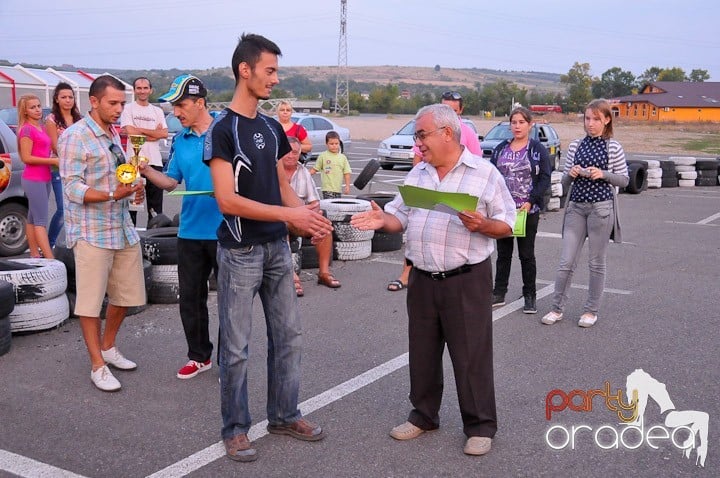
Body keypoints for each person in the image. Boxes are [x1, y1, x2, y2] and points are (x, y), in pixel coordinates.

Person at [351, 104, 516, 457]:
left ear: (447, 133)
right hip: (423, 279)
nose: (418, 143)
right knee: (422, 352)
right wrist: (383, 221)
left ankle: (480, 425)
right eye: (416, 136)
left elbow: (507, 224)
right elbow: (399, 217)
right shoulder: (419, 174)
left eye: (422, 135)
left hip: (466, 279)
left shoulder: (484, 174)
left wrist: (483, 225)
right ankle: (424, 416)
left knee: (471, 355)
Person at [205, 33, 333, 462]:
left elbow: (281, 186)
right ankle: (236, 429)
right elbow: (227, 200)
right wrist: (290, 217)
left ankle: (283, 414)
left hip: (278, 249)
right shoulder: (222, 130)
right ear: (246, 70)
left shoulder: (272, 127)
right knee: (236, 348)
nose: (276, 79)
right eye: (270, 70)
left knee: (289, 337)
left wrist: (309, 218)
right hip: (240, 252)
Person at [58, 75, 147, 392]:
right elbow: (72, 188)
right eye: (113, 103)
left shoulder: (115, 134)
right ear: (93, 101)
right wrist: (113, 195)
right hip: (92, 231)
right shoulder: (75, 136)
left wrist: (135, 187)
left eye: (122, 103)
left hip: (122, 228)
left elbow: (120, 175)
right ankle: (97, 365)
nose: (119, 108)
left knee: (126, 295)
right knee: (90, 303)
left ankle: (108, 347)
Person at [139, 74, 223, 379]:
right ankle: (199, 356)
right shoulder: (180, 140)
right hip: (189, 232)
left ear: (200, 103)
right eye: (174, 106)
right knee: (190, 298)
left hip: (225, 232)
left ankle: (229, 358)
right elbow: (172, 183)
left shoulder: (225, 133)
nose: (176, 112)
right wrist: (146, 169)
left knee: (229, 299)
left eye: (181, 105)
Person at [541, 99, 628, 328]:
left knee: (596, 263)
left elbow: (624, 179)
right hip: (576, 208)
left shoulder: (613, 147)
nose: (590, 123)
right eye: (587, 118)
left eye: (596, 119)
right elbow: (566, 181)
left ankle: (591, 310)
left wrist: (604, 174)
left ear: (607, 120)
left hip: (601, 209)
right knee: (566, 262)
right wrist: (571, 173)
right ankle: (556, 308)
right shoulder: (577, 145)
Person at [386, 90, 482, 292]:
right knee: (418, 226)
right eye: (445, 108)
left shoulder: (468, 133)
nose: (449, 113)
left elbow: (476, 165)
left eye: (453, 110)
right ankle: (407, 273)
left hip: (456, 197)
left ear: (461, 111)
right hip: (428, 186)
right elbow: (418, 156)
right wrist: (416, 178)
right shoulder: (427, 132)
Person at [490, 107, 552, 314]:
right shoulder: (500, 149)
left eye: (521, 122)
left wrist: (531, 200)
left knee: (526, 255)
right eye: (514, 122)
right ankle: (499, 292)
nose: (517, 126)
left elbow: (545, 177)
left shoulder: (537, 149)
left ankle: (529, 295)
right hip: (503, 212)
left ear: (530, 124)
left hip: (527, 210)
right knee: (503, 254)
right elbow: (491, 176)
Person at [281, 136, 341, 294]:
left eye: (295, 152)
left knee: (324, 226)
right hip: (278, 218)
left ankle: (324, 273)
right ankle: (290, 275)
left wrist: (316, 218)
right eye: (287, 152)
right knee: (280, 227)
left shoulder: (303, 173)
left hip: (301, 218)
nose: (290, 155)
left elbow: (315, 202)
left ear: (299, 153)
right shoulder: (271, 170)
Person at [119, 77, 168, 225]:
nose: (142, 91)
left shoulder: (157, 111)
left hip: (155, 162)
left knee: (155, 209)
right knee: (132, 205)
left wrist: (138, 130)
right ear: (134, 90)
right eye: (139, 88)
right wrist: (153, 134)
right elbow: (131, 133)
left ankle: (154, 240)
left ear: (150, 90)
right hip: (133, 163)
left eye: (145, 88)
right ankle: (130, 242)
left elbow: (164, 134)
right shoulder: (127, 108)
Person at [17, 94, 57, 259]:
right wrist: (52, 160)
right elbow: (26, 158)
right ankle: (50, 259)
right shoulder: (27, 129)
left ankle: (35, 254)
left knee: (33, 218)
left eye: (39, 106)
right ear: (25, 111)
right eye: (32, 107)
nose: (37, 110)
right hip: (34, 179)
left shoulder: (41, 127)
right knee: (40, 220)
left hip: (44, 177)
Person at [46, 82, 83, 247]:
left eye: (70, 97)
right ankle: (49, 243)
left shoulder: (78, 119)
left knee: (77, 207)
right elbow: (55, 146)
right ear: (56, 99)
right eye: (64, 97)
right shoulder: (52, 119)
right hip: (59, 167)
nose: (68, 100)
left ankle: (73, 243)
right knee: (62, 208)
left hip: (80, 167)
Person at [309, 130, 351, 199]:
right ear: (326, 144)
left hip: (338, 189)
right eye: (331, 144)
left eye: (336, 143)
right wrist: (305, 174)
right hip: (327, 189)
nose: (334, 146)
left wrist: (347, 186)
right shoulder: (323, 156)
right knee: (329, 207)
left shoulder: (343, 158)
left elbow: (347, 173)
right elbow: (315, 169)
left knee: (336, 207)